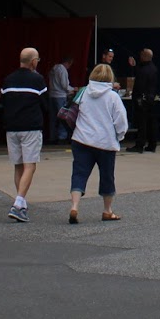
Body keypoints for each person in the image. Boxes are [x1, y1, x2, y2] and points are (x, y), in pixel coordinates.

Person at [69, 63, 129, 224]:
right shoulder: (113, 96)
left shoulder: (83, 92)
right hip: (105, 143)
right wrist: (120, 136)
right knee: (107, 176)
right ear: (110, 78)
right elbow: (121, 120)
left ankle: (74, 206)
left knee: (79, 173)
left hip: (81, 139)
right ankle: (107, 211)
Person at [0, 47, 48, 222]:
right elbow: (45, 104)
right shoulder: (38, 80)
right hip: (31, 127)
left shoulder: (8, 80)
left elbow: (3, 102)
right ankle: (18, 204)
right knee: (30, 165)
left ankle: (22, 202)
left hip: (12, 128)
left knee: (18, 165)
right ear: (33, 61)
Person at [130, 49, 160, 153]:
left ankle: (140, 145)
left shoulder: (143, 70)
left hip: (143, 100)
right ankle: (152, 144)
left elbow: (139, 86)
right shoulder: (153, 68)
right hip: (151, 98)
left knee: (142, 123)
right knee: (151, 122)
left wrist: (137, 98)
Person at [47, 55, 74, 145]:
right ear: (69, 63)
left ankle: (52, 136)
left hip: (52, 95)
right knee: (62, 117)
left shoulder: (53, 69)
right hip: (60, 96)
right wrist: (72, 89)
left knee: (53, 118)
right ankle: (62, 137)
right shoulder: (63, 70)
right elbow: (64, 85)